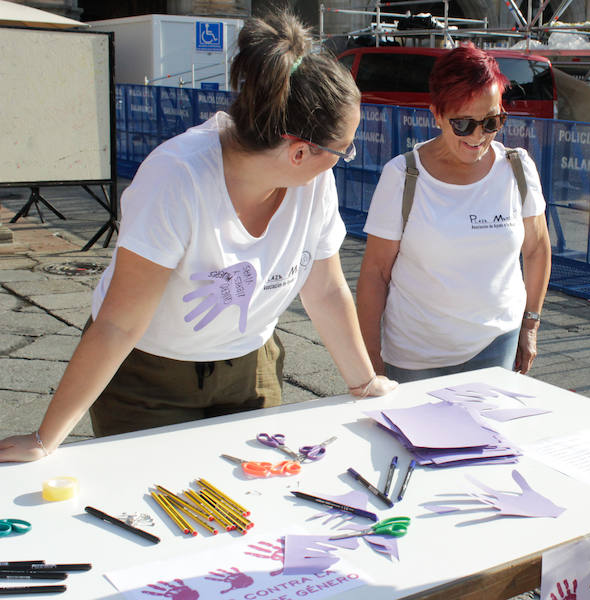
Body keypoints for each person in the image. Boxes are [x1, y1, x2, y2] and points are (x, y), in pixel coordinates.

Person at [0, 11, 396, 463]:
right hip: (151, 379)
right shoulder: (177, 178)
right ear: (299, 150)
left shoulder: (312, 181)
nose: (344, 158)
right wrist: (45, 438)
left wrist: (364, 385)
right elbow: (118, 323)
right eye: (344, 150)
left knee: (254, 499)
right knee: (151, 503)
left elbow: (325, 290)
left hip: (250, 367)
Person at [356, 44, 552, 383]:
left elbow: (536, 249)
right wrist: (370, 362)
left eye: (491, 122)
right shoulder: (403, 175)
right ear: (436, 114)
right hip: (416, 356)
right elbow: (375, 273)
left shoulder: (517, 169)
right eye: (463, 124)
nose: (478, 137)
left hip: (497, 344)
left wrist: (530, 324)